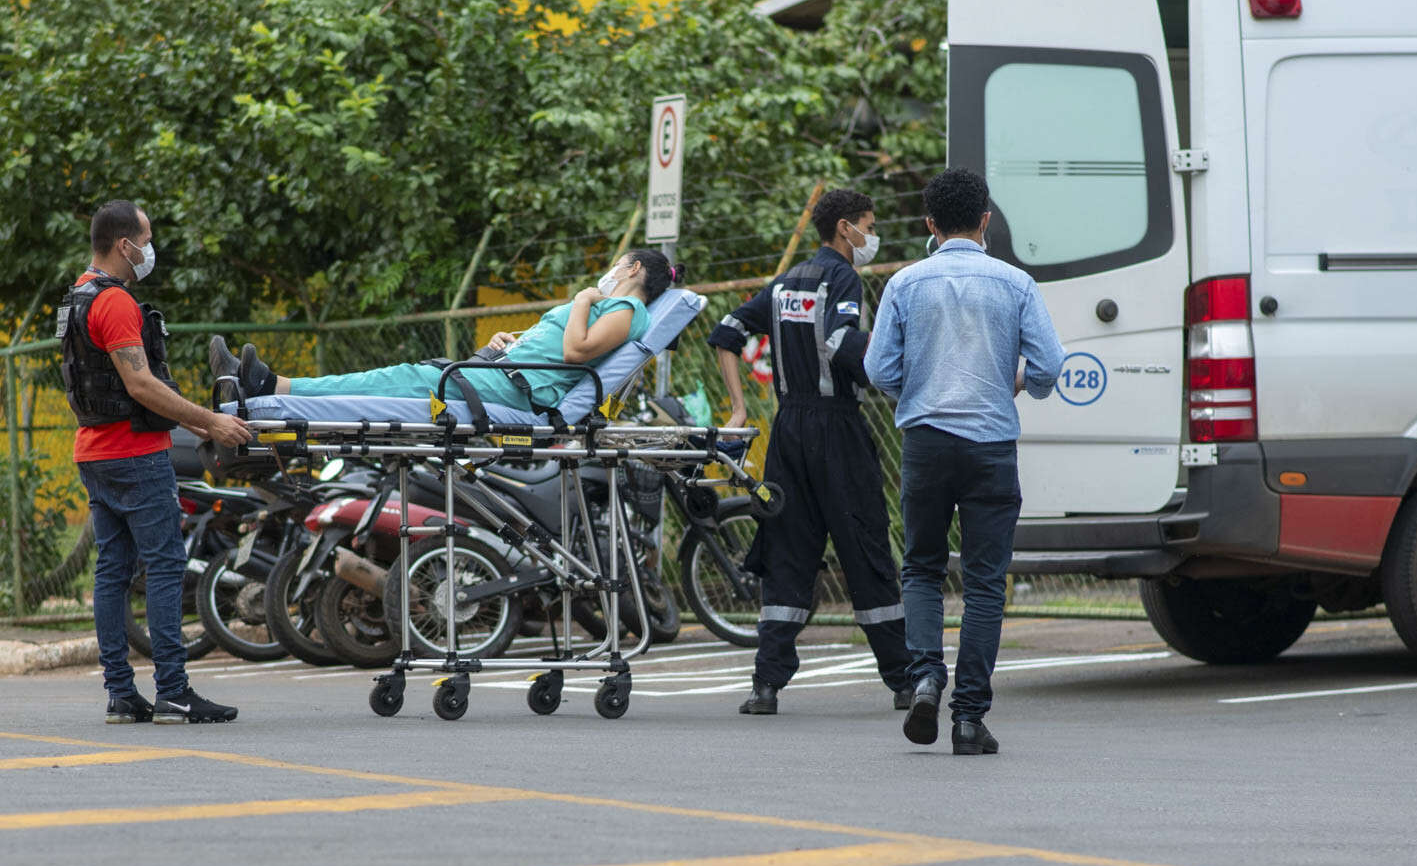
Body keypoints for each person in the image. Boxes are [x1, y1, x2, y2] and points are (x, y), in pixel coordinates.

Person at [865, 168, 1065, 755]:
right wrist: (1016, 381)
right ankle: (969, 719)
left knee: (922, 567)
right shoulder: (1016, 283)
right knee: (983, 583)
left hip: (926, 441)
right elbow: (1051, 365)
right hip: (991, 445)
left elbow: (879, 370)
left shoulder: (904, 283)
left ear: (930, 224)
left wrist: (918, 390)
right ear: (986, 219)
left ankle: (925, 676)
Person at [707, 188, 913, 715]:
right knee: (865, 546)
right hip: (837, 430)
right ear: (846, 228)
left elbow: (726, 332)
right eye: (869, 223)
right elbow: (844, 345)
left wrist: (737, 408)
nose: (872, 233)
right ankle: (904, 682)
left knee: (788, 552)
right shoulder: (843, 279)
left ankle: (766, 687)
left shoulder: (785, 283)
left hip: (787, 431)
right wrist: (901, 381)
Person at [59, 200, 254, 724]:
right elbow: (140, 384)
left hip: (95, 453)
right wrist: (210, 423)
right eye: (146, 239)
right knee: (166, 565)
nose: (150, 250)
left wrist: (195, 423)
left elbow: (126, 387)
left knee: (113, 572)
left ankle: (121, 695)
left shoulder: (78, 296)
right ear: (125, 245)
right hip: (134, 455)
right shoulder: (116, 302)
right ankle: (173, 690)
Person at [209, 249, 676, 414]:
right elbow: (562, 346)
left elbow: (576, 353)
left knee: (395, 381)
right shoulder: (612, 306)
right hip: (507, 371)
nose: (608, 272)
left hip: (515, 391)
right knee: (392, 379)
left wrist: (580, 299)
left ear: (633, 268)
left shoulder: (627, 310)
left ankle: (268, 388)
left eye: (616, 265)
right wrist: (514, 342)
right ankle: (263, 385)